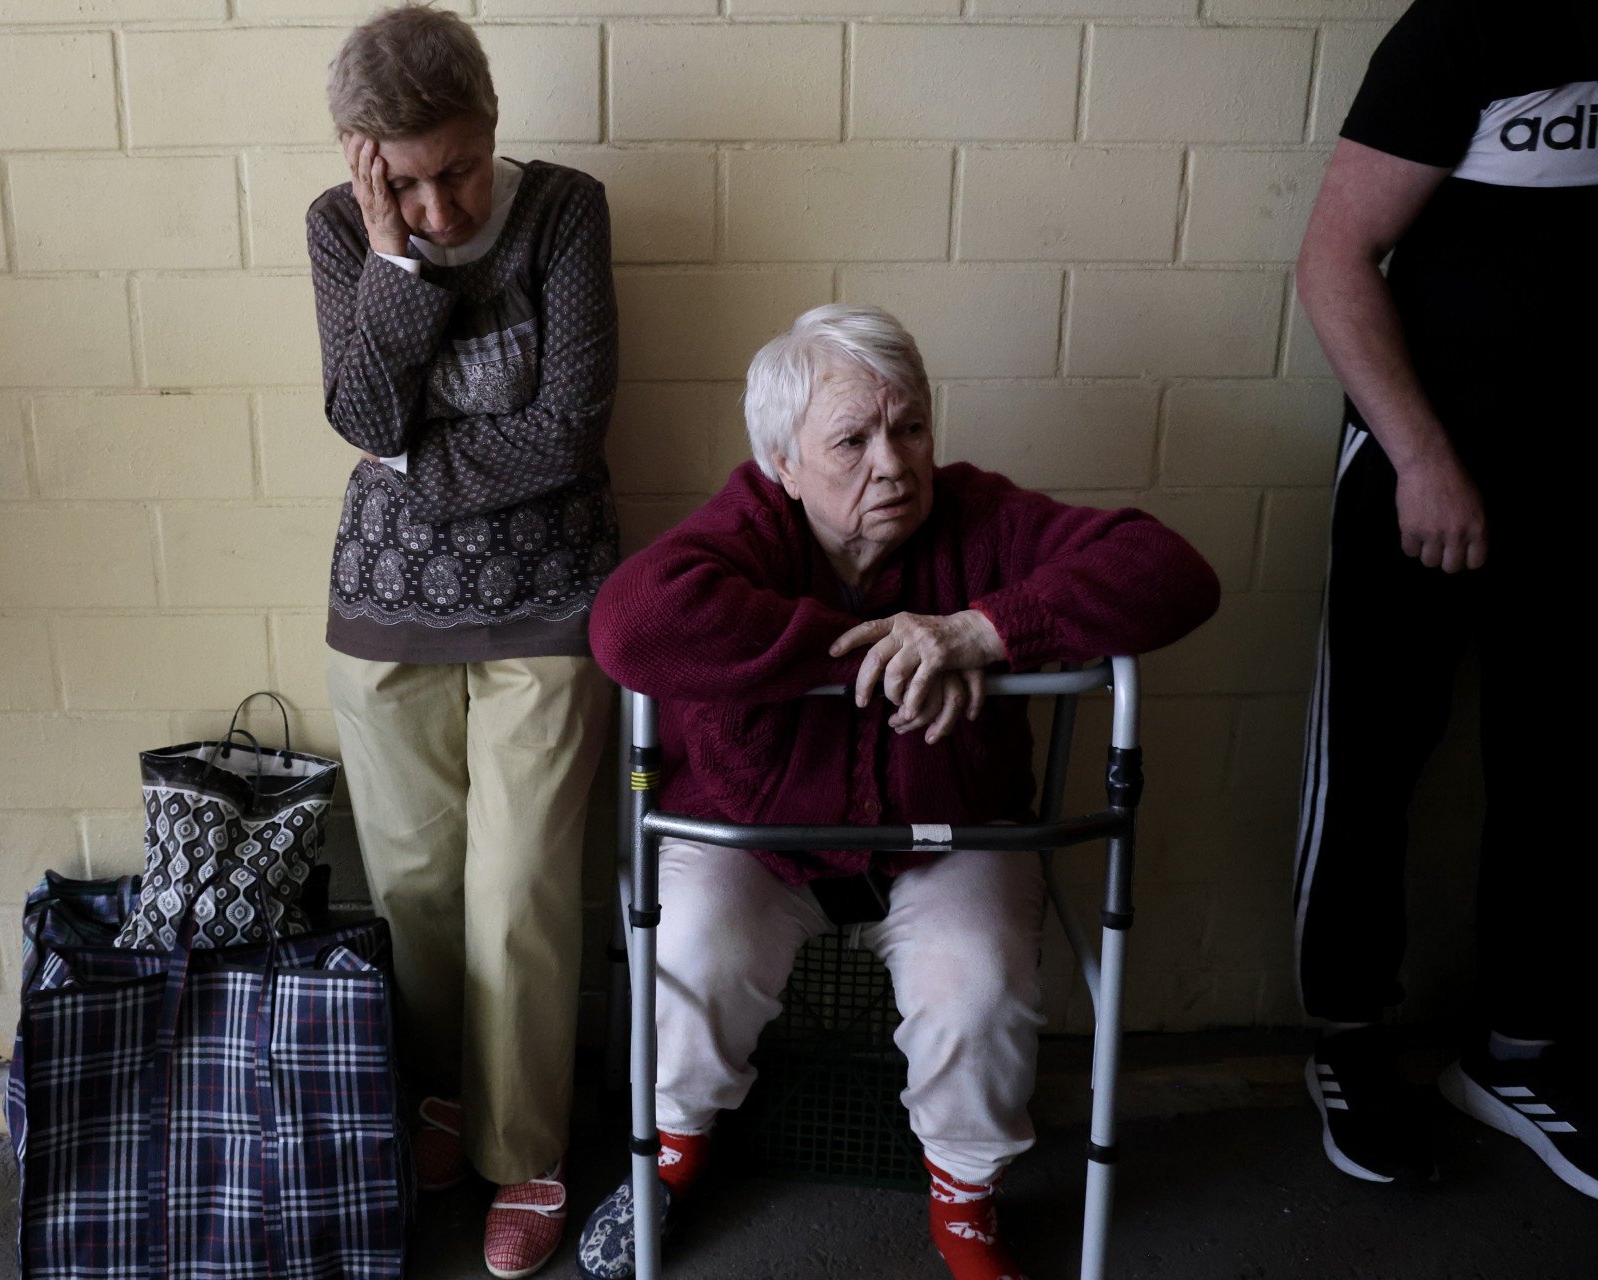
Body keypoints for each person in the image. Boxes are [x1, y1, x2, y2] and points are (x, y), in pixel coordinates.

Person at [576, 305, 1220, 1280]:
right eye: (853, 438)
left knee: (980, 977)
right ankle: (674, 1145)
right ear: (784, 462)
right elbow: (628, 624)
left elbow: (1175, 573)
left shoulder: (982, 518)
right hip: (757, 837)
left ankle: (965, 1197)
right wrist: (852, 650)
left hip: (948, 831)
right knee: (693, 946)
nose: (893, 461)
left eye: (910, 425)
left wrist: (982, 629)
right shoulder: (751, 524)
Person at [306, 6, 620, 1274]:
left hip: (549, 602)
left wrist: (405, 460)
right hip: (383, 611)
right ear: (361, 156)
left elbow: (571, 430)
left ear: (494, 126)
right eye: (411, 179)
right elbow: (358, 406)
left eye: (461, 169)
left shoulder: (567, 213)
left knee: (518, 893)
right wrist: (394, 265)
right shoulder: (344, 229)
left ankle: (525, 1150)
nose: (441, 205)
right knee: (419, 890)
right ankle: (441, 1095)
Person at [1291, 0, 1595, 1198]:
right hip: (1427, 463)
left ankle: (1517, 1050)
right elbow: (1332, 259)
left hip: (1578, 486)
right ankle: (1349, 1038)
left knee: (1563, 767)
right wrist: (1422, 456)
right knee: (1374, 762)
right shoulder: (1469, 28)